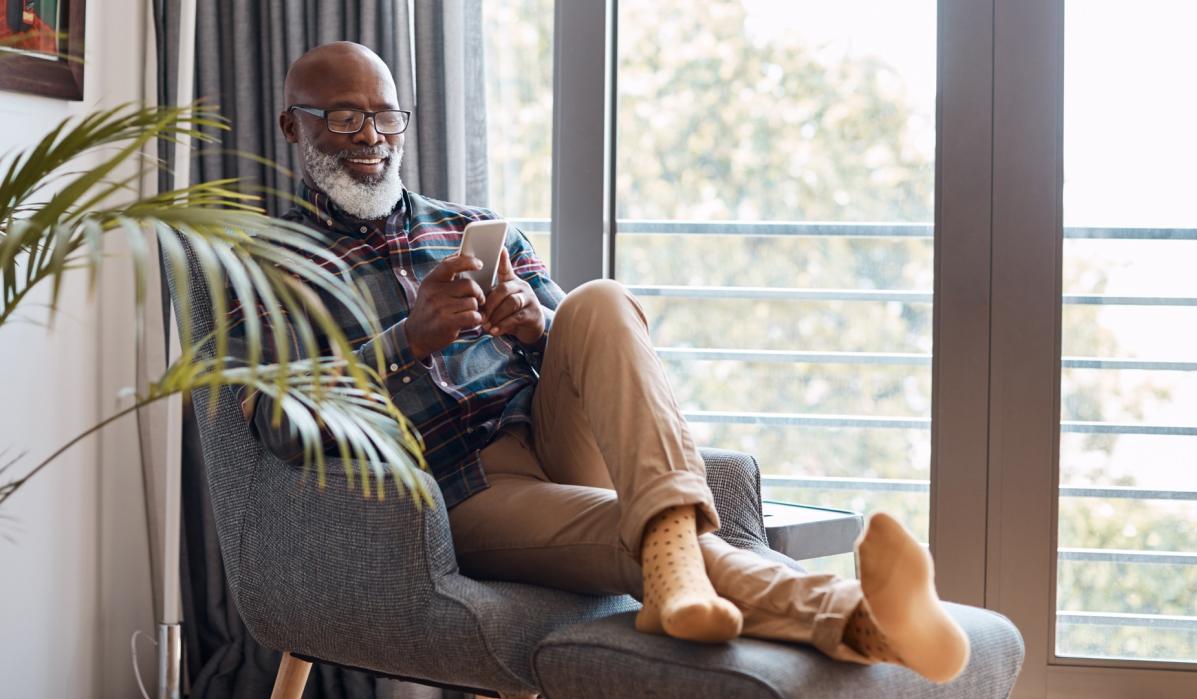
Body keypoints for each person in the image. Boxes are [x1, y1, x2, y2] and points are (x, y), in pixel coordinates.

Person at [230, 40, 970, 684]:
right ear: (293, 124)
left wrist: (534, 327)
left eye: (385, 114)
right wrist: (406, 343)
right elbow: (275, 422)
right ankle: (858, 617)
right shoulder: (267, 265)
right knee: (647, 534)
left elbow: (590, 342)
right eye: (342, 116)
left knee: (601, 299)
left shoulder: (467, 226)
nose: (371, 135)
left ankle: (683, 575)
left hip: (558, 440)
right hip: (460, 487)